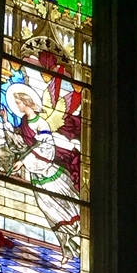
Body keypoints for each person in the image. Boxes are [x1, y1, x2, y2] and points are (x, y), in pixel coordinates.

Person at [7, 81, 82, 261]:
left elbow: (47, 147)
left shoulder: (41, 123)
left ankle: (78, 239)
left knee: (65, 206)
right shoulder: (24, 122)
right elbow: (19, 143)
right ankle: (67, 249)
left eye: (18, 102)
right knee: (49, 210)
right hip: (36, 175)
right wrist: (5, 122)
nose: (17, 106)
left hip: (49, 173)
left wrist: (24, 161)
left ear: (26, 101)